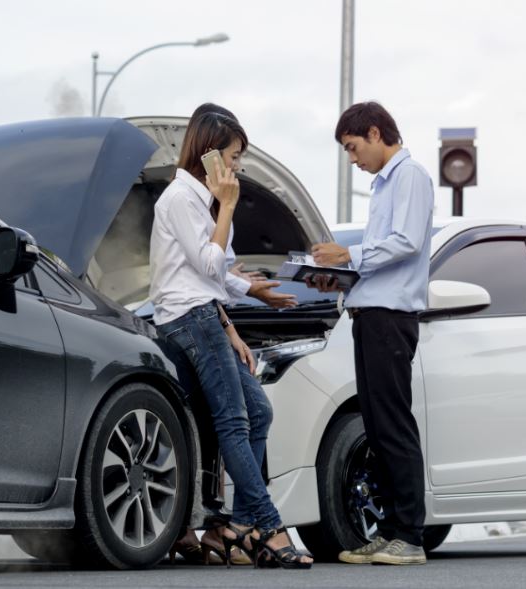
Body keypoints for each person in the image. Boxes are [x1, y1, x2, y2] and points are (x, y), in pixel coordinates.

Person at [150, 109, 311, 569]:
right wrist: (228, 206)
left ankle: (239, 524)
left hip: (205, 316)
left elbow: (216, 272)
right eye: (235, 156)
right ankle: (269, 528)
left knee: (258, 411)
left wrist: (244, 304)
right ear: (210, 154)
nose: (238, 165)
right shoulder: (181, 198)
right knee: (235, 422)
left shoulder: (201, 199)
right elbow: (209, 265)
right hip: (190, 320)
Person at [310, 101, 434, 566]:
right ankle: (390, 532)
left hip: (390, 318)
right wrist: (341, 277)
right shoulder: (385, 183)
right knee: (378, 429)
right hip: (370, 314)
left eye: (352, 147)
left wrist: (349, 256)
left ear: (376, 133)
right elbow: (383, 257)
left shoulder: (410, 175)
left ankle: (410, 536)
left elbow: (407, 242)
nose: (352, 159)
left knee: (393, 425)